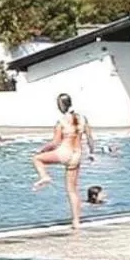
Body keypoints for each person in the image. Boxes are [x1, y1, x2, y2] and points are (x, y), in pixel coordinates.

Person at [31, 92, 94, 229]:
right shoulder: (83, 118)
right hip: (77, 155)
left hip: (64, 152)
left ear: (60, 106)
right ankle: (76, 221)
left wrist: (41, 150)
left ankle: (45, 176)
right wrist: (92, 153)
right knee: (73, 190)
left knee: (37, 159)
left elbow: (55, 143)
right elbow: (89, 138)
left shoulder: (61, 122)